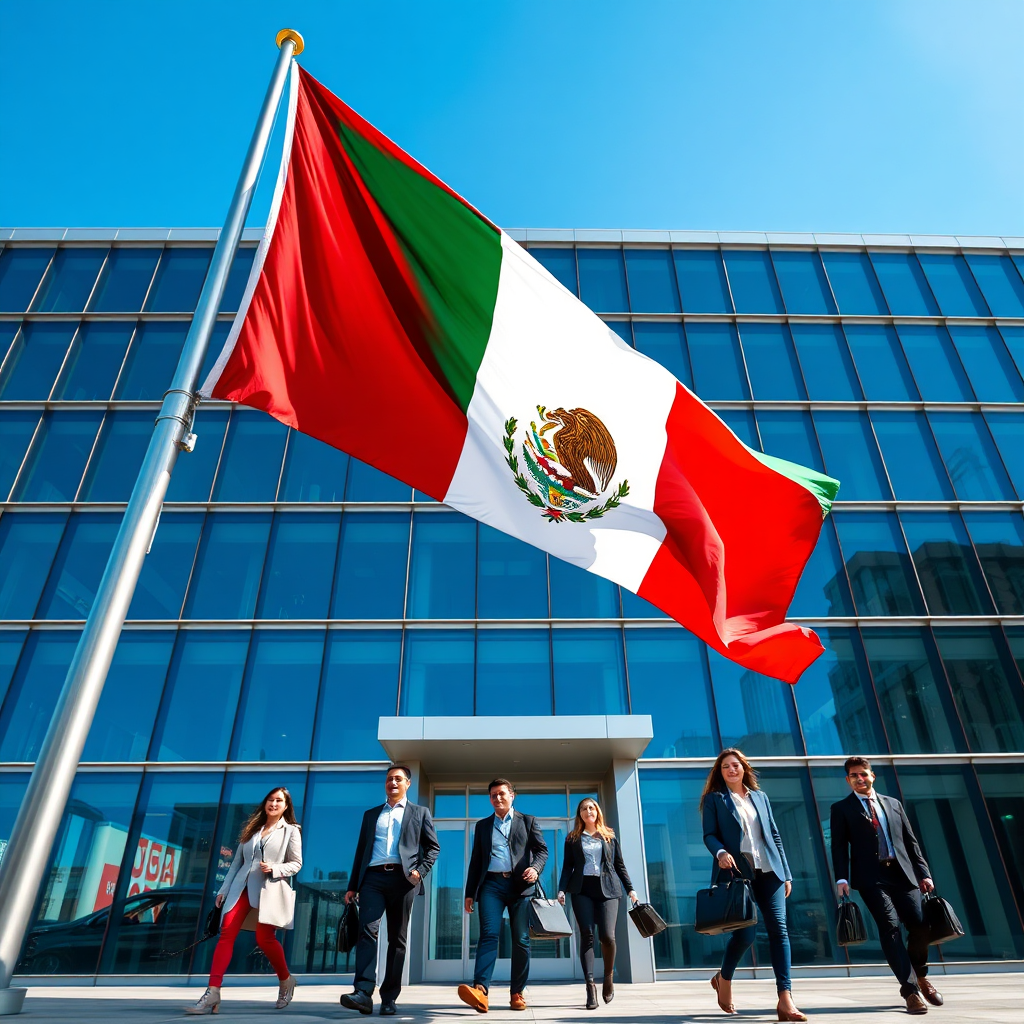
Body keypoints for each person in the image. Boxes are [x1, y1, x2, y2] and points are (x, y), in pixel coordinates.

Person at [701, 749, 806, 1022]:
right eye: (726, 767)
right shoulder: (715, 799)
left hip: (770, 871)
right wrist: (721, 853)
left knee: (779, 930)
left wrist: (786, 873)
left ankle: (785, 998)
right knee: (745, 936)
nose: (731, 770)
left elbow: (774, 835)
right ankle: (723, 977)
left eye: (736, 765)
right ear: (720, 772)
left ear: (744, 768)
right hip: (737, 873)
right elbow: (709, 835)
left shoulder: (760, 797)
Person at [830, 756, 940, 1015]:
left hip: (904, 875)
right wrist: (841, 878)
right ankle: (911, 991)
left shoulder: (893, 804)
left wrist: (924, 873)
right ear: (848, 780)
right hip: (871, 878)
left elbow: (911, 842)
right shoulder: (842, 808)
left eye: (863, 774)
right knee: (890, 927)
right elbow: (838, 847)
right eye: (854, 775)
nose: (860, 778)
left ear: (872, 776)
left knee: (920, 925)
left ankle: (920, 975)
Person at [185, 786, 302, 1015]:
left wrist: (276, 868)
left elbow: (296, 864)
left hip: (268, 890)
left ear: (286, 806)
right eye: (270, 799)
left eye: (279, 801)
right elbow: (236, 863)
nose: (274, 804)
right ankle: (213, 991)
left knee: (264, 938)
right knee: (227, 932)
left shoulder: (291, 831)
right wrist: (223, 890)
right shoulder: (252, 829)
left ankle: (286, 980)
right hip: (241, 889)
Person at [340, 764, 440, 1017]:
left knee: (397, 939)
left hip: (403, 880)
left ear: (407, 783)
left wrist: (420, 871)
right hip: (372, 878)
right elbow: (361, 851)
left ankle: (389, 997)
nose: (392, 783)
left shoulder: (420, 812)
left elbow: (433, 848)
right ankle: (363, 992)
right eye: (389, 779)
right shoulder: (372, 814)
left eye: (398, 779)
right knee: (367, 932)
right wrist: (353, 886)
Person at [457, 778, 548, 1014]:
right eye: (493, 795)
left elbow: (542, 851)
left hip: (520, 887)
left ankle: (516, 992)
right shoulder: (483, 826)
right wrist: (469, 893)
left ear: (512, 795)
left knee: (520, 939)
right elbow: (476, 861)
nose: (497, 798)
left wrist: (535, 869)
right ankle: (480, 990)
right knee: (488, 934)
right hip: (491, 885)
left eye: (501, 794)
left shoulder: (527, 821)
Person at [556, 797, 637, 1009]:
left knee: (608, 937)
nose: (587, 811)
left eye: (591, 807)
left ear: (597, 811)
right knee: (587, 934)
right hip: (582, 890)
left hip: (608, 890)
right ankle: (590, 986)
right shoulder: (572, 839)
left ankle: (608, 977)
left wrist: (631, 889)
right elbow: (567, 867)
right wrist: (562, 889)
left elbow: (619, 865)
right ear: (580, 814)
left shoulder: (609, 836)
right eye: (583, 808)